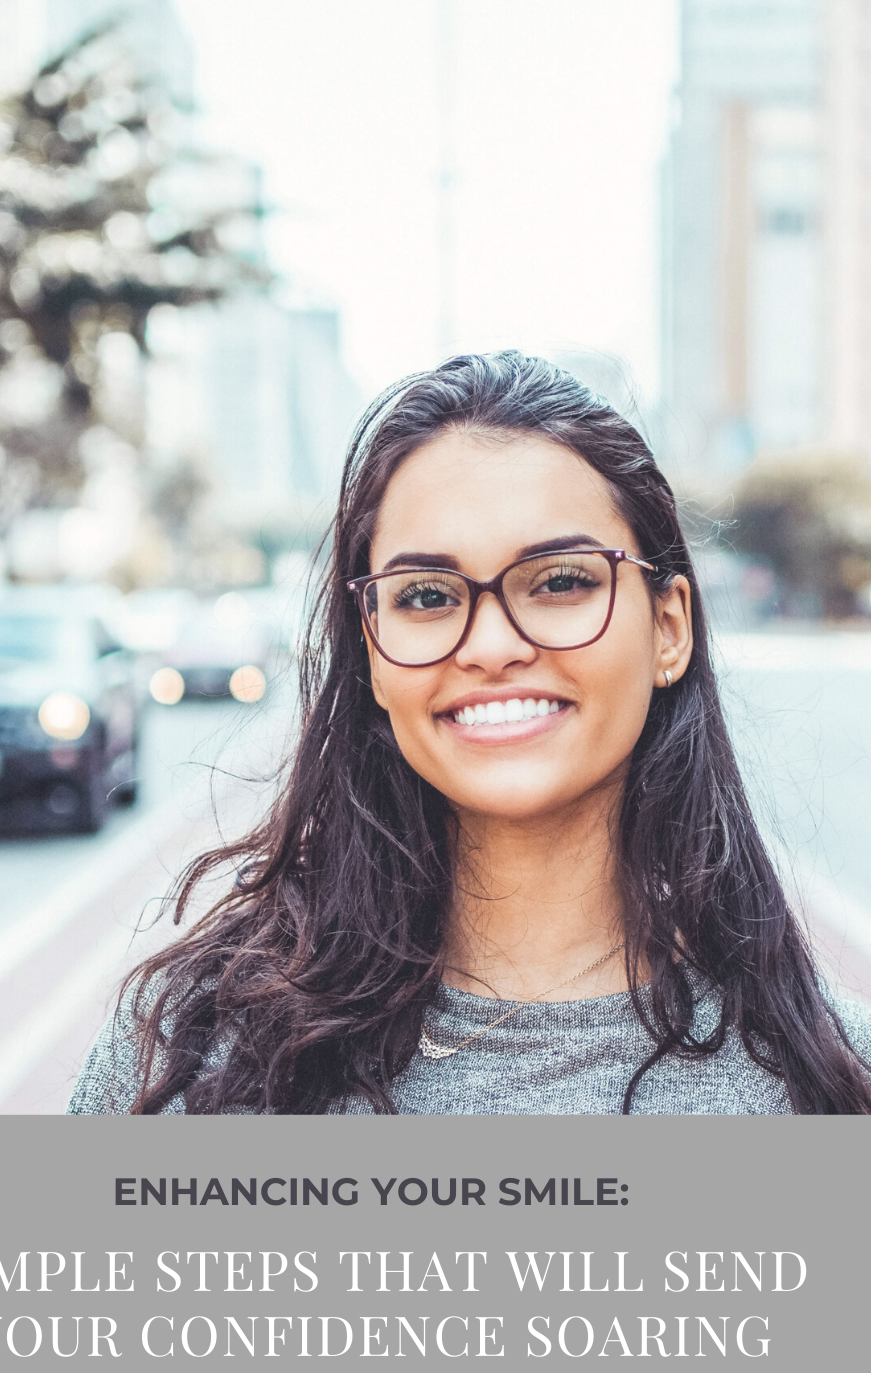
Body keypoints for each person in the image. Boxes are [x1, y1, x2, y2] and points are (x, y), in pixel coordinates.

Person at [69, 351, 871, 1116]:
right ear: (374, 648)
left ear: (668, 628)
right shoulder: (184, 1057)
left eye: (561, 581)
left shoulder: (830, 1080)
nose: (491, 646)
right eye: (426, 596)